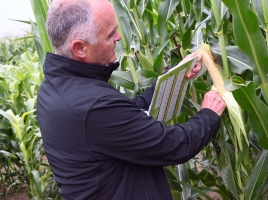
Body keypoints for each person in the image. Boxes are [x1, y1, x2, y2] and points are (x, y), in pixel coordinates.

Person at [37, 0, 227, 199]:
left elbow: (126, 117)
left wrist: (174, 75)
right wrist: (209, 114)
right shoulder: (93, 107)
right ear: (80, 48)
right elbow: (173, 145)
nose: (119, 37)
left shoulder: (55, 88)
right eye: (110, 35)